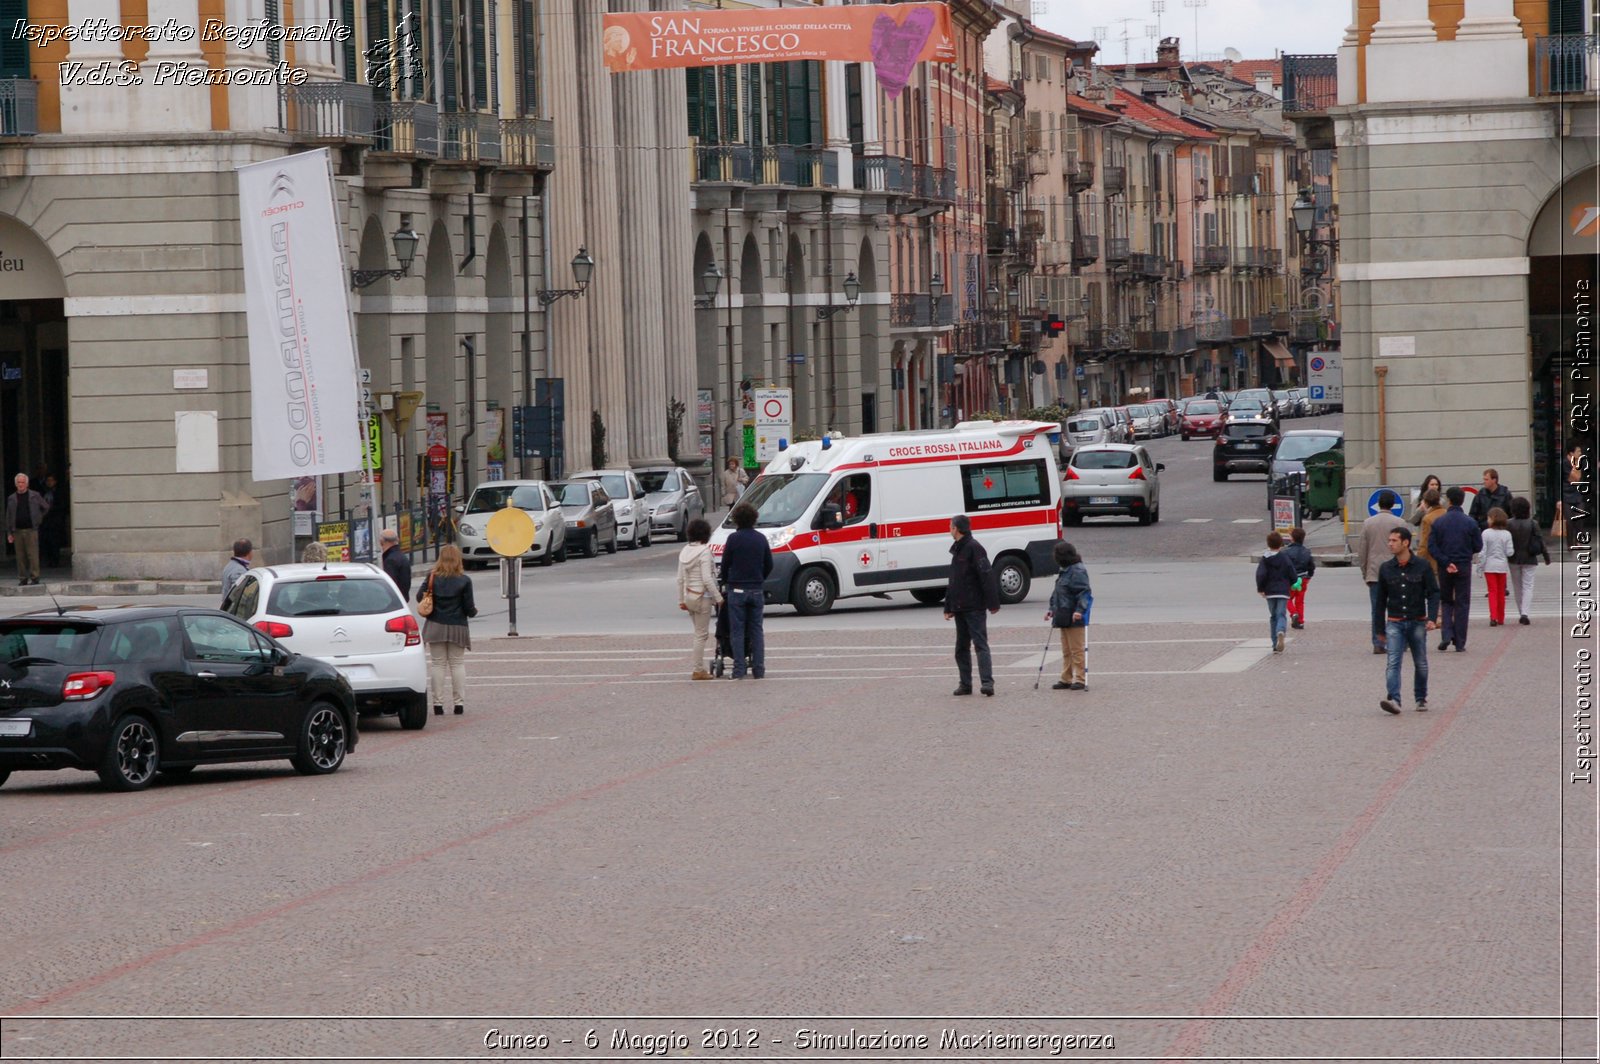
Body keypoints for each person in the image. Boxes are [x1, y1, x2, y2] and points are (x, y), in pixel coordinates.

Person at [1376, 526, 1441, 715]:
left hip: (1417, 621)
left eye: (1394, 540)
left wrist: (1431, 617)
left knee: (1420, 662)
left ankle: (1421, 698)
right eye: (1389, 540)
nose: (1390, 544)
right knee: (1393, 662)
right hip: (1395, 621)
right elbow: (1380, 601)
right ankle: (1394, 699)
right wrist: (1379, 630)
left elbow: (1433, 593)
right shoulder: (1386, 568)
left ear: (1405, 543)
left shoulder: (1422, 565)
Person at [945, 513, 1000, 696]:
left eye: (950, 526)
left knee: (980, 645)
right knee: (961, 648)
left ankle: (987, 683)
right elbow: (954, 580)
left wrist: (993, 603)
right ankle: (965, 684)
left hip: (974, 607)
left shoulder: (974, 548)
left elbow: (987, 576)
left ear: (956, 529)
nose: (949, 529)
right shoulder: (958, 549)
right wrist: (948, 607)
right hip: (960, 607)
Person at [418, 543, 476, 715]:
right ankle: (459, 704)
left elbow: (418, 596)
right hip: (457, 625)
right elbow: (469, 608)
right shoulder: (464, 580)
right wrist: (473, 611)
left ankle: (438, 704)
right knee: (457, 664)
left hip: (435, 624)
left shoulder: (432, 577)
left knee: (438, 664)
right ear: (458, 559)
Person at [720, 502, 772, 679]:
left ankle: (739, 669)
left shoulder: (733, 539)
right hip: (756, 589)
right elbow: (769, 564)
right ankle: (759, 669)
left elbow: (725, 564)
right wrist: (759, 578)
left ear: (736, 520)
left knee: (737, 631)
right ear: (754, 519)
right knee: (756, 630)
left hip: (737, 589)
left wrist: (727, 580)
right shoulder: (761, 538)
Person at [1429, 486, 1483, 652]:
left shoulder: (1438, 522)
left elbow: (1432, 546)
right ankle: (1460, 641)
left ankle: (1446, 634)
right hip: (1463, 564)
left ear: (1449, 500)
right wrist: (1465, 554)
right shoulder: (1470, 522)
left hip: (1445, 566)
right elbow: (1478, 545)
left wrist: (1445, 562)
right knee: (1462, 602)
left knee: (1446, 600)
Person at [1357, 490, 1407, 654]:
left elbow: (1362, 551)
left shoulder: (1368, 523)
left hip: (1374, 572)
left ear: (1379, 504)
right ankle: (1399, 641)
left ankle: (1378, 642)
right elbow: (1405, 548)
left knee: (1377, 609)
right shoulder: (1399, 522)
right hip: (1396, 570)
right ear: (1393, 504)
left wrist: (1365, 572)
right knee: (1398, 608)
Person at [676, 517, 723, 681]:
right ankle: (698, 669)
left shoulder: (684, 551)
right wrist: (718, 597)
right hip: (703, 597)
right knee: (701, 635)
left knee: (697, 633)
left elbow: (680, 579)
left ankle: (698, 668)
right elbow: (707, 579)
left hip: (690, 596)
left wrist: (681, 600)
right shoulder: (704, 552)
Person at [1047, 541, 1092, 691]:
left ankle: (1080, 678)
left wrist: (1080, 610)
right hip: (1063, 614)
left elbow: (1084, 592)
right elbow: (1058, 593)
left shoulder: (1077, 571)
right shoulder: (1065, 570)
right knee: (1066, 650)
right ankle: (1066, 678)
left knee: (1076, 650)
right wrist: (1052, 608)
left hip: (1074, 615)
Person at [1506, 496, 1551, 626]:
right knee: (1528, 586)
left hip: (1513, 558)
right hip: (1530, 557)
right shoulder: (1533, 523)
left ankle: (1521, 612)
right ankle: (1525, 613)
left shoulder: (1508, 524)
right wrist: (1546, 556)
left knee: (1517, 587)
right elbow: (1540, 540)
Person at [1256, 530, 1297, 653]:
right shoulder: (1284, 557)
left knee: (1273, 616)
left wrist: (1261, 588)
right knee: (1281, 614)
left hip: (1270, 591)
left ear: (1268, 544)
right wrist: (1291, 582)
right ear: (1280, 544)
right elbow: (1292, 573)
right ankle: (1281, 630)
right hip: (1283, 591)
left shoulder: (1265, 559)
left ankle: (1274, 643)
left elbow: (1260, 574)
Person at [5, 473, 49, 587]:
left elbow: (45, 507)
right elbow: (8, 516)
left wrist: (38, 518)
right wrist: (9, 532)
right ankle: (22, 578)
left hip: (31, 530)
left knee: (32, 554)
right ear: (16, 484)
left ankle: (35, 577)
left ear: (27, 484)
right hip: (17, 531)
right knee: (20, 556)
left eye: (23, 482)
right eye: (19, 482)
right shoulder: (11, 498)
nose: (21, 484)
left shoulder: (35, 495)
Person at [1479, 507, 1513, 627]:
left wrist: (1480, 567)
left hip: (1489, 566)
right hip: (1502, 566)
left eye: (1488, 518)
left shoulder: (1486, 533)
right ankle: (1501, 618)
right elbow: (1510, 552)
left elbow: (1482, 552)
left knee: (1492, 591)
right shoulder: (1507, 534)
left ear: (1492, 519)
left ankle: (1493, 617)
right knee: (1501, 592)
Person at [1282, 526, 1316, 629]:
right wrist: (1309, 576)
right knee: (1300, 601)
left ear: (1292, 538)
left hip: (1290, 580)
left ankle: (1293, 613)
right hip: (1303, 579)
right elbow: (1311, 566)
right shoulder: (1307, 552)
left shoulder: (1286, 552)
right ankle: (1300, 621)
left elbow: (1284, 566)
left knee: (1286, 598)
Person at [1415, 488, 1446, 575]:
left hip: (1433, 561)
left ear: (1426, 502)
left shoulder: (1427, 518)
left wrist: (1417, 561)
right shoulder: (1446, 513)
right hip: (1447, 559)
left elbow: (1424, 543)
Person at [380, 528, 412, 602]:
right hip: (403, 600)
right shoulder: (402, 556)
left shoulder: (390, 560)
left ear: (382, 542)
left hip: (394, 602)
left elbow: (389, 586)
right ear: (397, 539)